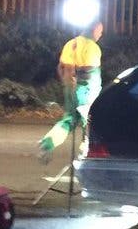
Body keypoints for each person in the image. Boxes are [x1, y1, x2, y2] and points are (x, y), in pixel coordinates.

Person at [37, 21, 104, 164]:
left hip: (70, 89)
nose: (101, 34)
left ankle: (48, 143)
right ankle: (87, 152)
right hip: (86, 91)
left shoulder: (70, 44)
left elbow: (61, 67)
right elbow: (90, 71)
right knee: (91, 120)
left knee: (68, 120)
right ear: (94, 30)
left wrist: (67, 83)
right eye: (100, 31)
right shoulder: (93, 47)